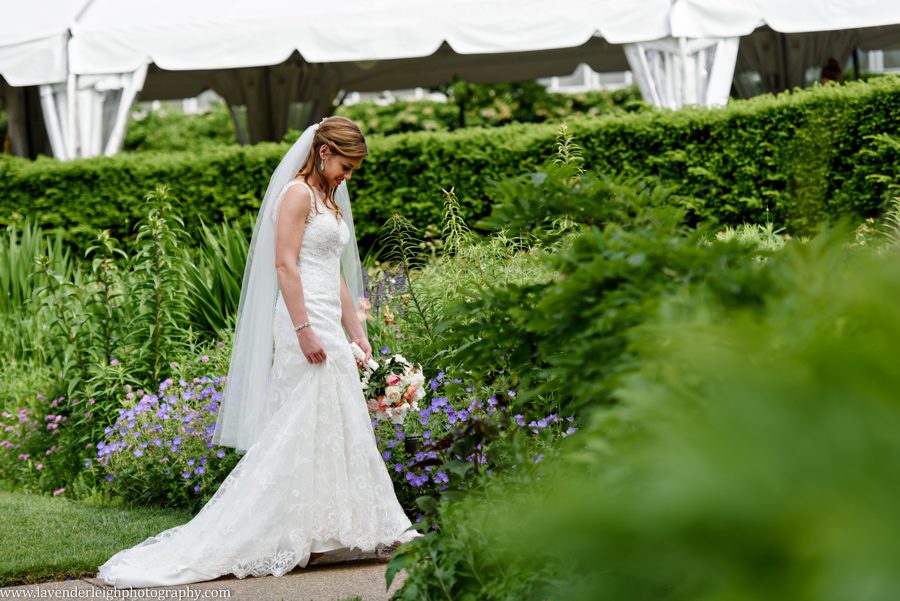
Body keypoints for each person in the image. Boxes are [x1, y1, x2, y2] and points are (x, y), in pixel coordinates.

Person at [97, 117, 419, 588]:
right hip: (302, 320)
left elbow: (334, 272)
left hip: (329, 318)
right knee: (302, 420)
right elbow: (285, 265)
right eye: (346, 166)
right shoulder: (297, 195)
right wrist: (304, 329)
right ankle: (305, 530)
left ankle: (336, 530)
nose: (348, 176)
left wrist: (357, 331)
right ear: (324, 151)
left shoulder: (329, 200)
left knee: (336, 419)